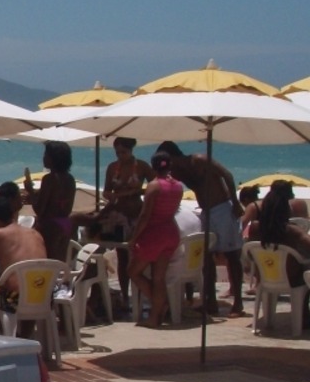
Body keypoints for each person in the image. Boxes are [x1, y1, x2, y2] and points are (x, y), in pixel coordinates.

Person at [157, 141, 245, 317]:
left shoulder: (199, 160)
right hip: (205, 211)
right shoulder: (177, 172)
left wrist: (235, 202)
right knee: (206, 257)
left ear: (173, 156)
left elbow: (226, 174)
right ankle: (210, 302)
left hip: (222, 207)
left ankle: (238, 303)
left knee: (232, 255)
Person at [127, 151, 184, 328]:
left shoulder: (154, 186)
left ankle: (160, 304)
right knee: (159, 278)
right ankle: (155, 316)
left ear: (153, 166)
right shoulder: (179, 186)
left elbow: (145, 215)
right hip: (171, 232)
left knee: (133, 272)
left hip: (154, 234)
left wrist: (133, 237)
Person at [101, 136, 155, 308]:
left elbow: (156, 185)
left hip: (136, 214)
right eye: (117, 152)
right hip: (118, 215)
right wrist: (111, 195)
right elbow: (106, 190)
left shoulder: (142, 166)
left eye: (123, 152)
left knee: (140, 255)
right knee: (122, 257)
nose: (120, 156)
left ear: (131, 151)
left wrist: (137, 191)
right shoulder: (112, 167)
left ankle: (142, 293)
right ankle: (125, 296)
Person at [0, 195, 48, 327]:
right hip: (44, 297)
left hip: (15, 301)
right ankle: (25, 335)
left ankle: (5, 333)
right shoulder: (35, 234)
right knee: (25, 291)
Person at [256, 180, 310, 328]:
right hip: (291, 278)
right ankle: (304, 317)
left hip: (266, 276)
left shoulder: (257, 229)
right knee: (306, 273)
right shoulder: (292, 231)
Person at [23, 141, 77, 263]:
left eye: (46, 155)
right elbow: (63, 205)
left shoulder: (49, 179)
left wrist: (31, 192)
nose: (43, 158)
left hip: (50, 227)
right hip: (65, 224)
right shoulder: (70, 179)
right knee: (61, 264)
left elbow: (40, 210)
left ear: (54, 158)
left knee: (47, 265)